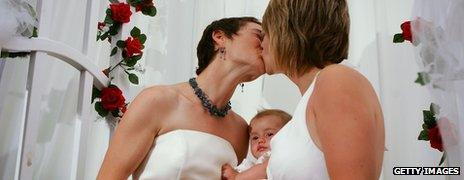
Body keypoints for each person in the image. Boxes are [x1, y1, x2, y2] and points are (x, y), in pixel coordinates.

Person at [97, 17, 265, 180]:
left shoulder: (241, 130)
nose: (266, 45)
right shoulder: (157, 101)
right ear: (220, 37)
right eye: (259, 36)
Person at [261, 0, 385, 179]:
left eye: (265, 32)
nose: (261, 44)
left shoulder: (336, 80)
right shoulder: (318, 91)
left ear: (286, 30)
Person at [222, 109, 291, 180]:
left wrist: (236, 177)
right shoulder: (254, 166)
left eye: (269, 134)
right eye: (255, 138)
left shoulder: (280, 156)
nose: (260, 140)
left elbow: (265, 170)